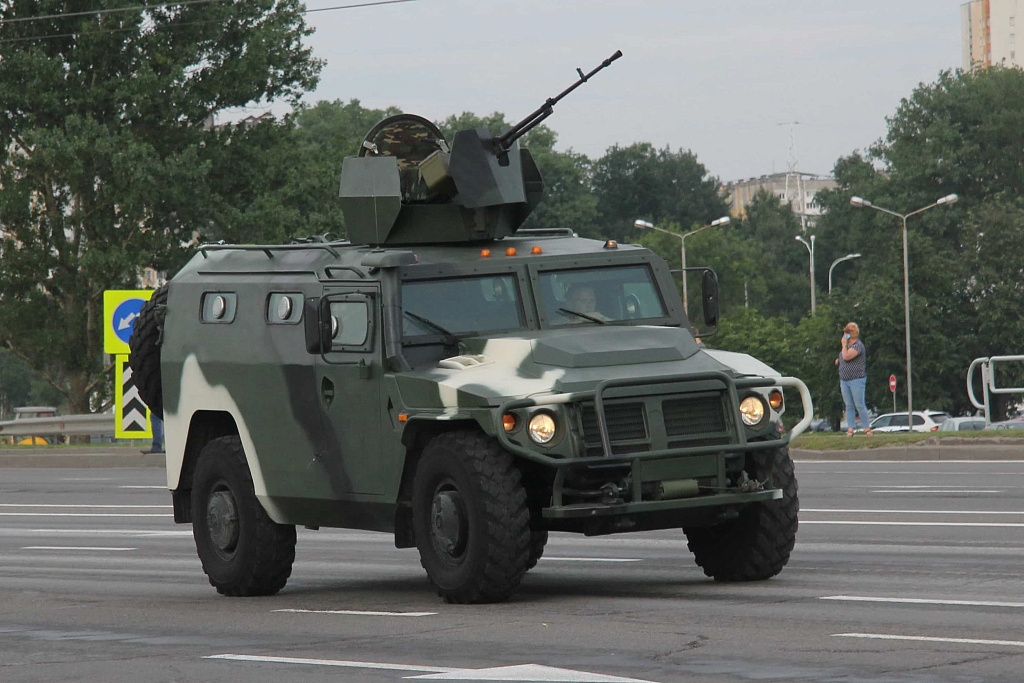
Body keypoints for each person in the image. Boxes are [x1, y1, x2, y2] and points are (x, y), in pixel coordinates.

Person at [835, 321, 871, 436]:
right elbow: (842, 357)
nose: (844, 336)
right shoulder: (847, 346)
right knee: (849, 405)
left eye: (846, 333)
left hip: (856, 379)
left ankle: (867, 428)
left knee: (859, 404)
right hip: (844, 379)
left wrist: (843, 345)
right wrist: (838, 361)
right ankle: (850, 429)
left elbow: (846, 356)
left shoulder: (857, 346)